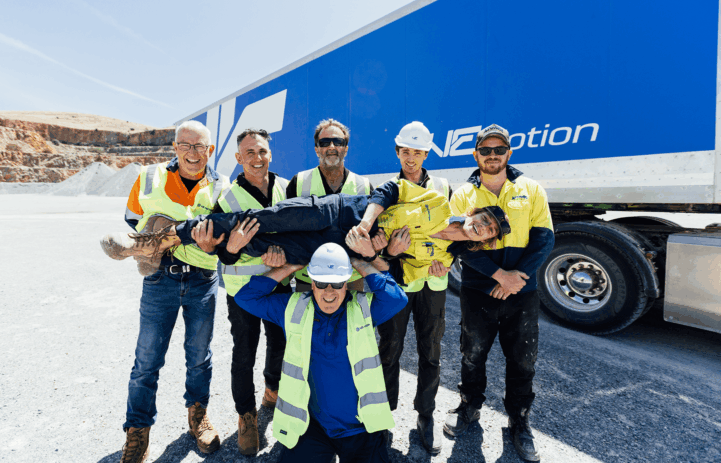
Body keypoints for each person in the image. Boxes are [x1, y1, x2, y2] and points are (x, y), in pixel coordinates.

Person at [101, 179, 510, 286]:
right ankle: (152, 241)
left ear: (485, 240)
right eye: (485, 217)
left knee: (260, 241)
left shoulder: (442, 262)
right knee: (258, 219)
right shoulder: (439, 200)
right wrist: (368, 224)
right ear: (474, 211)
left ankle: (161, 241)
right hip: (341, 211)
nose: (481, 226)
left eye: (488, 231)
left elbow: (397, 275)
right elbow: (390, 190)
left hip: (342, 250)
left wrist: (382, 252)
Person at [109, 121, 230, 463]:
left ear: (210, 150)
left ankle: (197, 416)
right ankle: (137, 431)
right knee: (147, 360)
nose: (193, 152)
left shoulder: (222, 185)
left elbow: (225, 231)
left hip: (202, 279)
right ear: (175, 147)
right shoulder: (149, 176)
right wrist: (159, 244)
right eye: (186, 145)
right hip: (159, 278)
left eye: (200, 146)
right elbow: (132, 218)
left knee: (199, 355)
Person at [231, 240, 407, 463]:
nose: (329, 292)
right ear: (312, 283)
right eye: (322, 283)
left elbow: (397, 298)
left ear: (347, 283)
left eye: (337, 283)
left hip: (361, 427)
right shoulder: (293, 307)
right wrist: (289, 267)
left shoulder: (363, 309)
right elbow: (245, 298)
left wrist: (359, 262)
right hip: (313, 427)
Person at [444, 124, 554, 463]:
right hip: (478, 290)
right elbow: (458, 244)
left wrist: (514, 279)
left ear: (509, 153)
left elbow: (544, 238)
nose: (492, 155)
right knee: (472, 353)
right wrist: (499, 276)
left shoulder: (530, 189)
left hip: (522, 291)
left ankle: (519, 420)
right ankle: (469, 406)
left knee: (522, 358)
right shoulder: (463, 194)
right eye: (486, 150)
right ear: (475, 154)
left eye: (499, 149)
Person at [376, 122, 452, 454]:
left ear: (426, 154)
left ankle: (426, 415)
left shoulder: (443, 187)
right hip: (398, 281)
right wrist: (389, 253)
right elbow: (375, 240)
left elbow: (458, 231)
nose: (411, 158)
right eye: (406, 151)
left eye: (418, 152)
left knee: (430, 352)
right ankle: (383, 416)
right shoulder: (388, 191)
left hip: (434, 281)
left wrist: (450, 260)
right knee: (389, 348)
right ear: (397, 152)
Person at [214, 128, 289, 455]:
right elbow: (220, 253)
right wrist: (232, 246)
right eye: (249, 153)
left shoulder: (287, 188)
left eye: (262, 151)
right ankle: (246, 415)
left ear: (270, 153)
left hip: (279, 283)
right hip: (243, 291)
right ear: (238, 158)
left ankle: (273, 390)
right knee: (244, 352)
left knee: (281, 342)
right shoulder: (227, 199)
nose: (257, 158)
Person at [286, 119, 373, 292]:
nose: (331, 147)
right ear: (317, 149)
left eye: (338, 142)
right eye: (325, 142)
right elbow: (287, 232)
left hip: (351, 278)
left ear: (346, 148)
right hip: (309, 279)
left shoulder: (363, 186)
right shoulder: (298, 183)